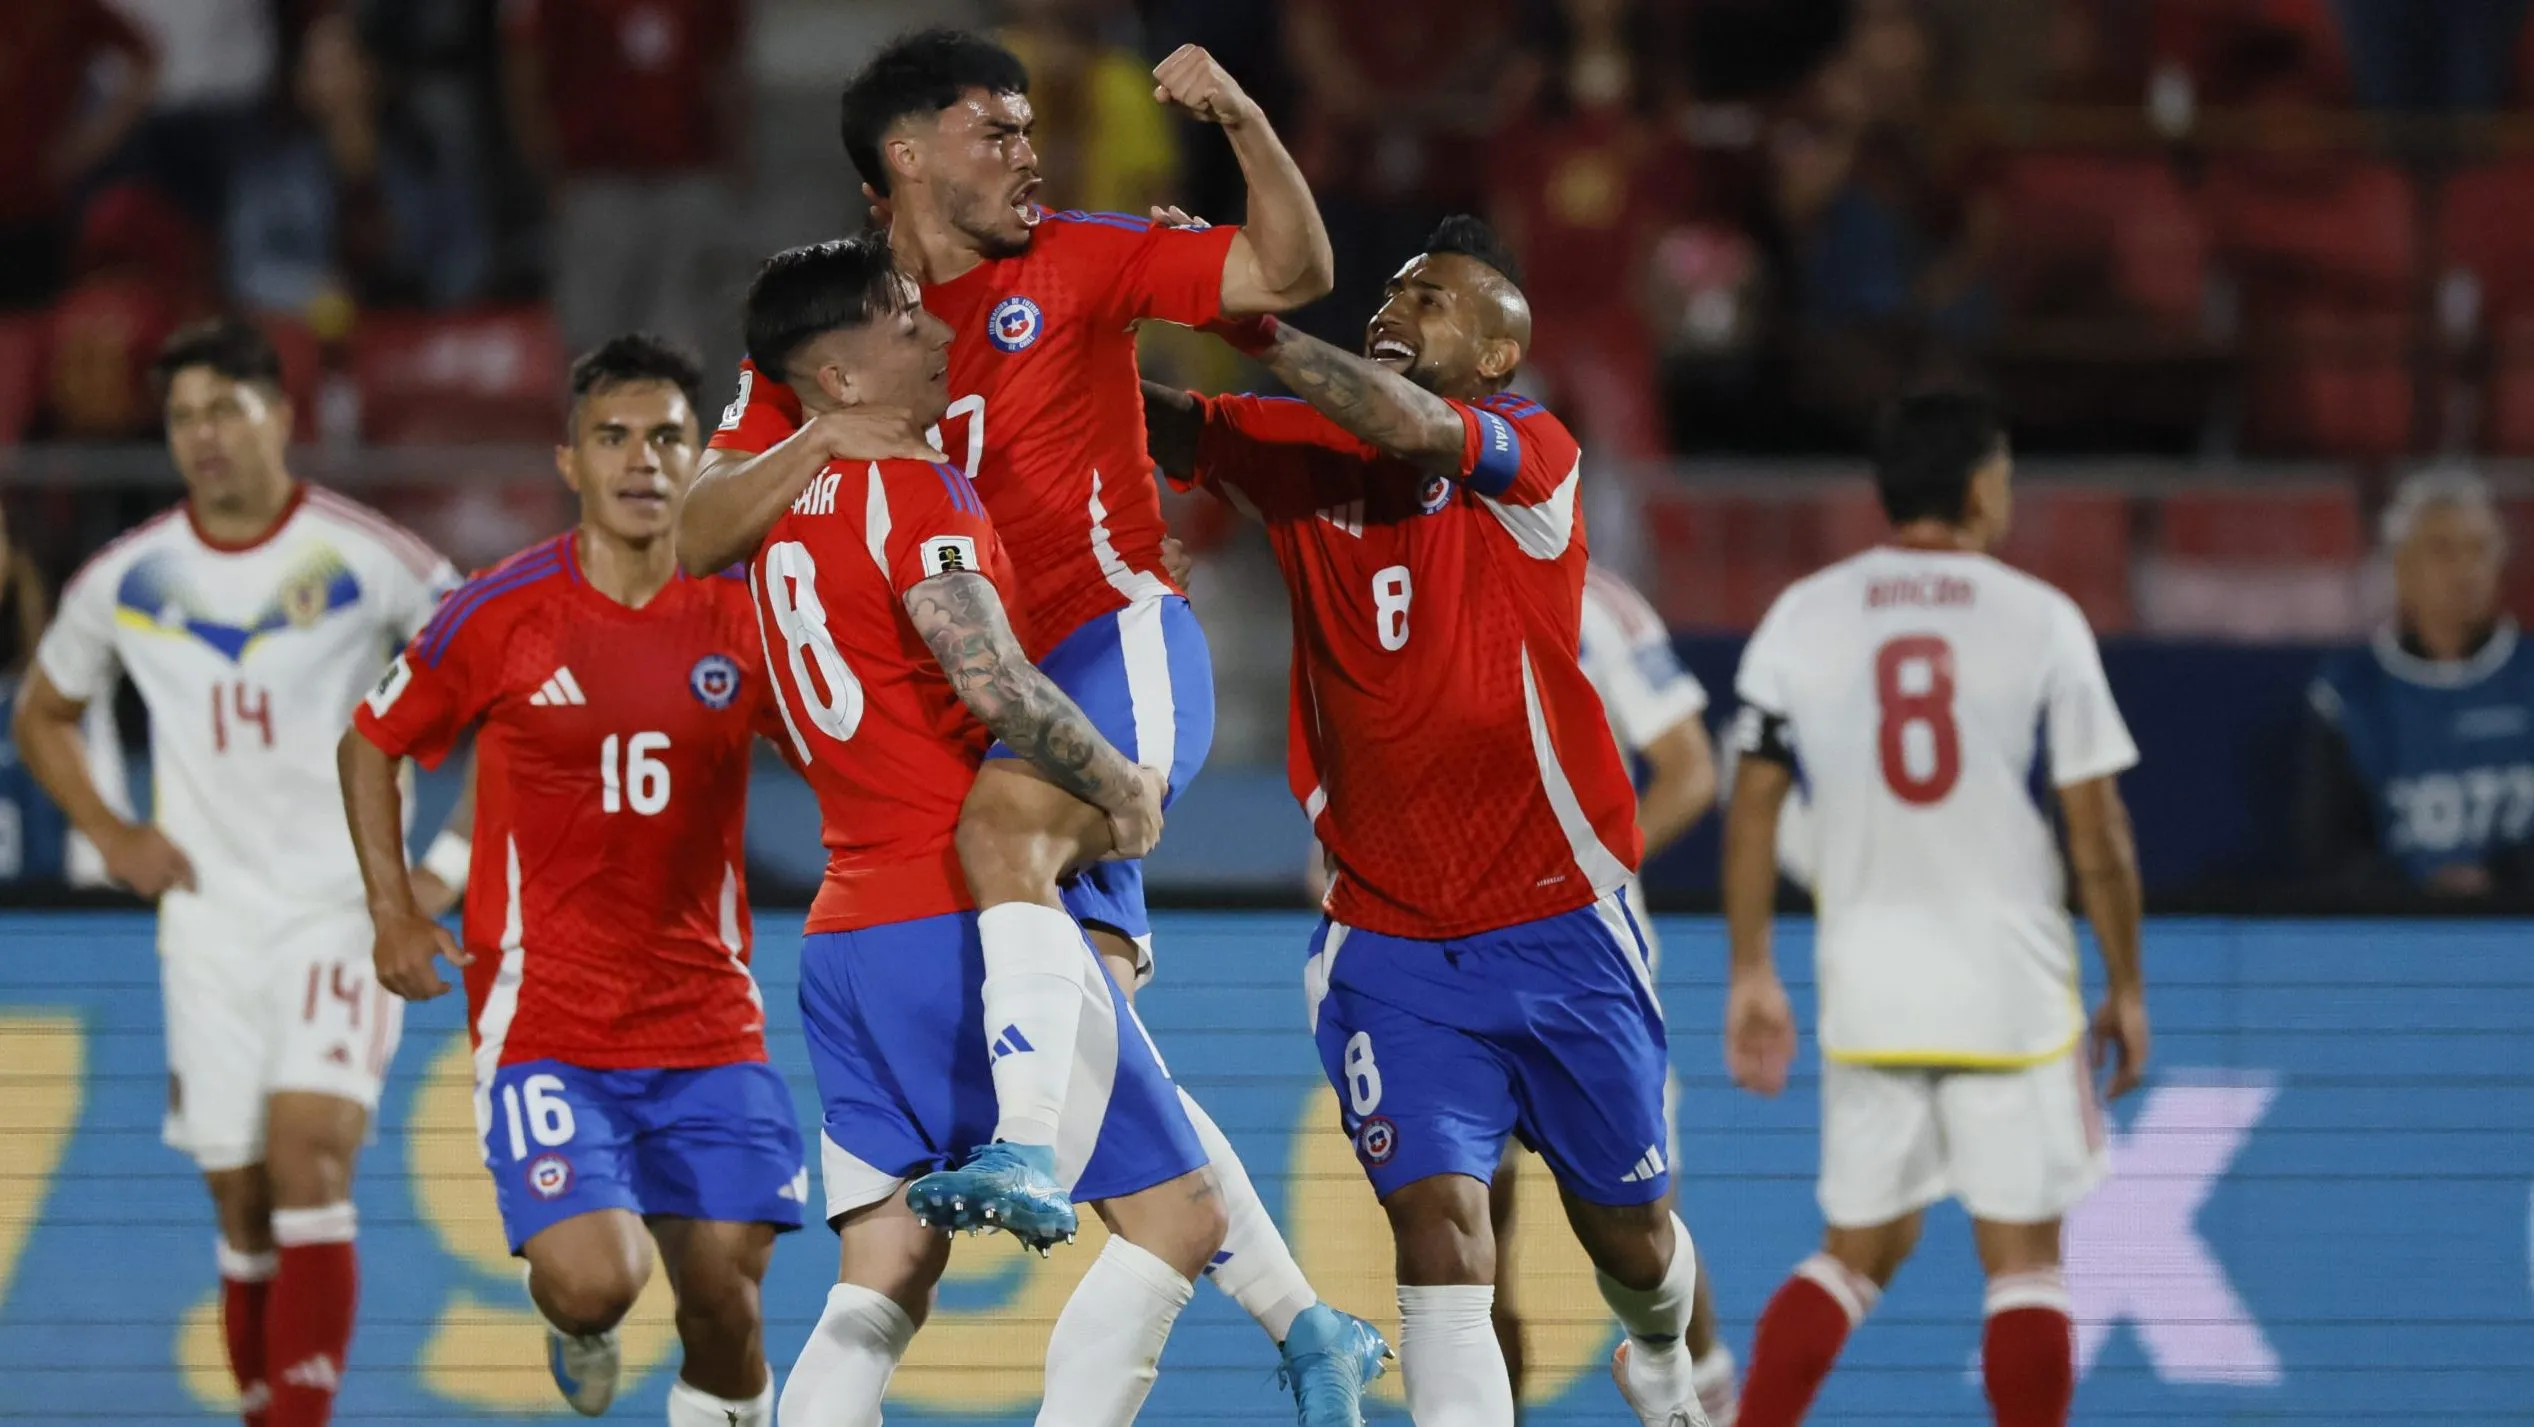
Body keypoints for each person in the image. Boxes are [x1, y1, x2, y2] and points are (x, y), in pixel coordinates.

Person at [676, 30, 1388, 1420]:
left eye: (1024, 129)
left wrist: (1241, 120)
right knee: (1098, 1021)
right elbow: (699, 526)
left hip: (1103, 649)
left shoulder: (1083, 254)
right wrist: (830, 427)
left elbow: (1292, 276)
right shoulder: (838, 333)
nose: (1026, 152)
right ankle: (1306, 1322)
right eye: (992, 130)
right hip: (979, 705)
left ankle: (1041, 1168)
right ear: (905, 157)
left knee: (1016, 862)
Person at [1148, 214, 1718, 1427]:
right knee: (1441, 1232)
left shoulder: (1533, 457)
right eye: (1390, 291)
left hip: (1562, 923)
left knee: (1629, 1234)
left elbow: (1407, 425)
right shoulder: (1301, 455)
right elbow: (1162, 423)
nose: (1394, 309)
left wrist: (1244, 318)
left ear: (1499, 355)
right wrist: (1066, 315)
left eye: (1433, 299)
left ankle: (1664, 1356)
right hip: (1390, 934)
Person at [730, 235, 1222, 1427]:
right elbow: (993, 678)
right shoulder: (917, 488)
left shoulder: (767, 517)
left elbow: (775, 711)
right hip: (948, 919)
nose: (938, 334)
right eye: (903, 323)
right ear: (837, 377)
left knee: (885, 1271)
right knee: (1178, 1219)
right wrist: (1114, 779)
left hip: (842, 928)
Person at [338, 334, 804, 1427]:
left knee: (725, 1296)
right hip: (545, 1019)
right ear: (570, 462)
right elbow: (371, 741)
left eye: (668, 438)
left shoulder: (747, 615)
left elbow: (843, 733)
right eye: (614, 437)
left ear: (703, 460)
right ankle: (578, 1325)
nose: (643, 460)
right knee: (600, 1276)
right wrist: (394, 909)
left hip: (706, 1019)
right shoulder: (499, 612)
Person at [11, 316, 459, 1427]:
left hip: (337, 913)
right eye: (182, 417)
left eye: (225, 408)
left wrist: (441, 865)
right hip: (206, 928)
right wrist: (114, 835)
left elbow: (510, 690)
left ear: (282, 415)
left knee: (310, 1156)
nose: (202, 435)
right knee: (243, 1196)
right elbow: (45, 711)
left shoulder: (375, 557)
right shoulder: (128, 572)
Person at [1719, 391, 2151, 1427]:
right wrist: (2125, 983)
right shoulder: (2036, 615)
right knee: (2024, 1261)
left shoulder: (1803, 614)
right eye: (2001, 472)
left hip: (1868, 980)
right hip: (2007, 980)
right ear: (1973, 486)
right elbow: (2094, 827)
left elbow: (1754, 805)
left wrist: (1748, 968)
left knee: (1854, 1253)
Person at [1491, 559, 1737, 1424]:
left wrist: (1582, 871)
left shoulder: (1599, 601)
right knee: (1466, 1235)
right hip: (1449, 951)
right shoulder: (1402, 573)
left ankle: (1704, 1392)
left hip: (1586, 955)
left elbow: (1690, 768)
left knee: (1640, 1219)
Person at [2296, 467, 2534, 898]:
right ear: (2401, 566)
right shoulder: (2349, 691)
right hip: (2396, 934)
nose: (2466, 569)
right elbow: (2327, 848)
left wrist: (2501, 879)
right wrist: (2414, 890)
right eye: (2442, 550)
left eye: (2479, 550)